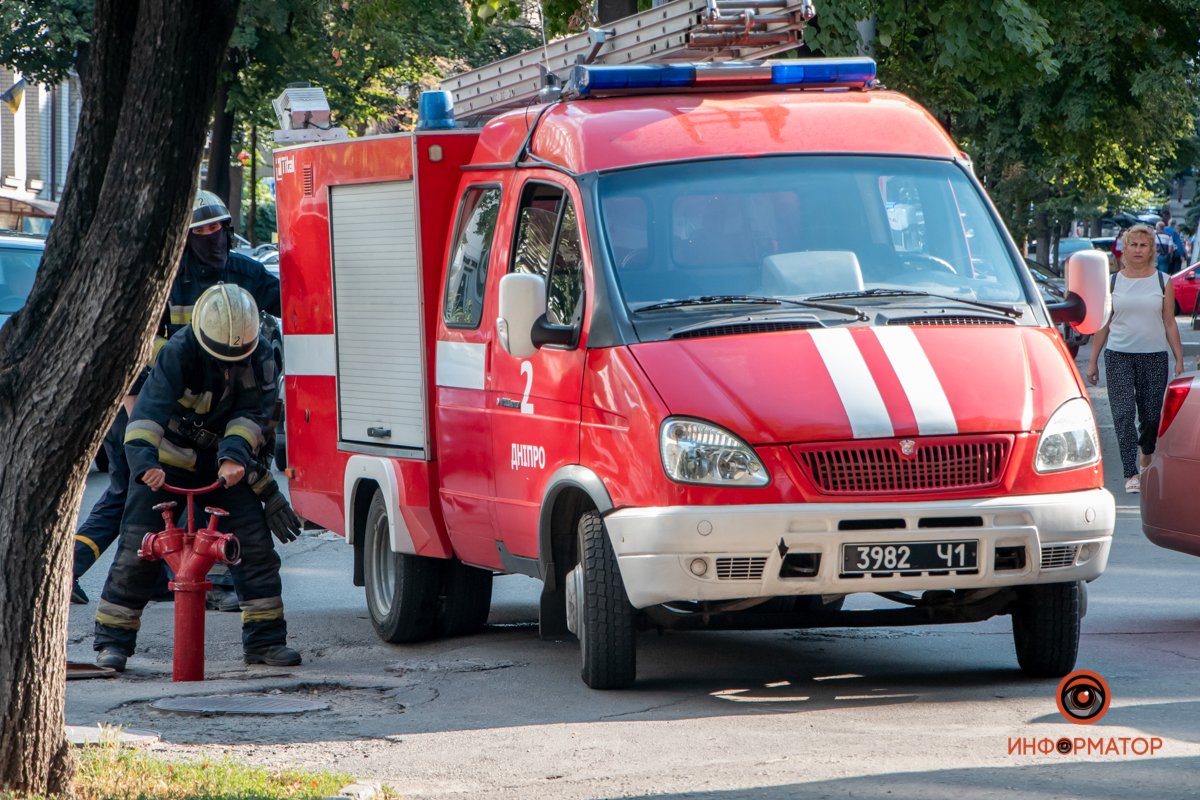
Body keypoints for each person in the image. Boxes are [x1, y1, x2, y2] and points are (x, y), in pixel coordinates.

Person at [72, 190, 283, 612]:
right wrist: (141, 426)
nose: (213, 238)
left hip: (215, 416)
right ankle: (66, 572)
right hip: (150, 409)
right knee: (129, 497)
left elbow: (295, 305)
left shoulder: (246, 274)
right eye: (201, 231)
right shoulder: (162, 279)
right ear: (184, 238)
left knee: (216, 493)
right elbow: (130, 354)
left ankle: (203, 579)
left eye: (218, 228)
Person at [94, 285, 301, 672]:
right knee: (137, 551)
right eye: (221, 357)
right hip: (164, 465)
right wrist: (144, 465)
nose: (229, 364)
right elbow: (146, 415)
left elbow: (250, 415)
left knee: (253, 549)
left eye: (235, 357)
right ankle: (113, 643)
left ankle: (266, 643)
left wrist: (234, 458)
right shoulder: (179, 351)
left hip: (223, 466)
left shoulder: (257, 353)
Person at [1086, 224, 1184, 494]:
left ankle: (1146, 455)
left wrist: (1178, 359)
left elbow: (1169, 322)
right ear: (1124, 249)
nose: (1138, 250)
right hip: (1118, 355)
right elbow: (1103, 324)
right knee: (1123, 413)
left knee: (1151, 417)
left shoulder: (1163, 281)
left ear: (1151, 249)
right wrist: (1093, 361)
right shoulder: (1113, 282)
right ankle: (1131, 472)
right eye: (1133, 245)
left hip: (1153, 356)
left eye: (1143, 245)